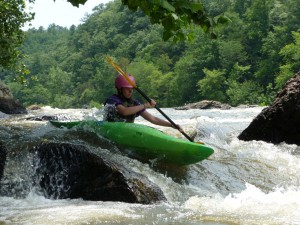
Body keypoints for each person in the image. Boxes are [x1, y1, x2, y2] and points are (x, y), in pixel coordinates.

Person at [103, 74, 180, 129]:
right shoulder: (112, 100)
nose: (130, 91)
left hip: (126, 131)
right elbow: (124, 111)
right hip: (111, 130)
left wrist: (171, 125)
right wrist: (145, 105)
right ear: (120, 89)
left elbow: (153, 119)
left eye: (132, 89)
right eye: (127, 89)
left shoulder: (134, 103)